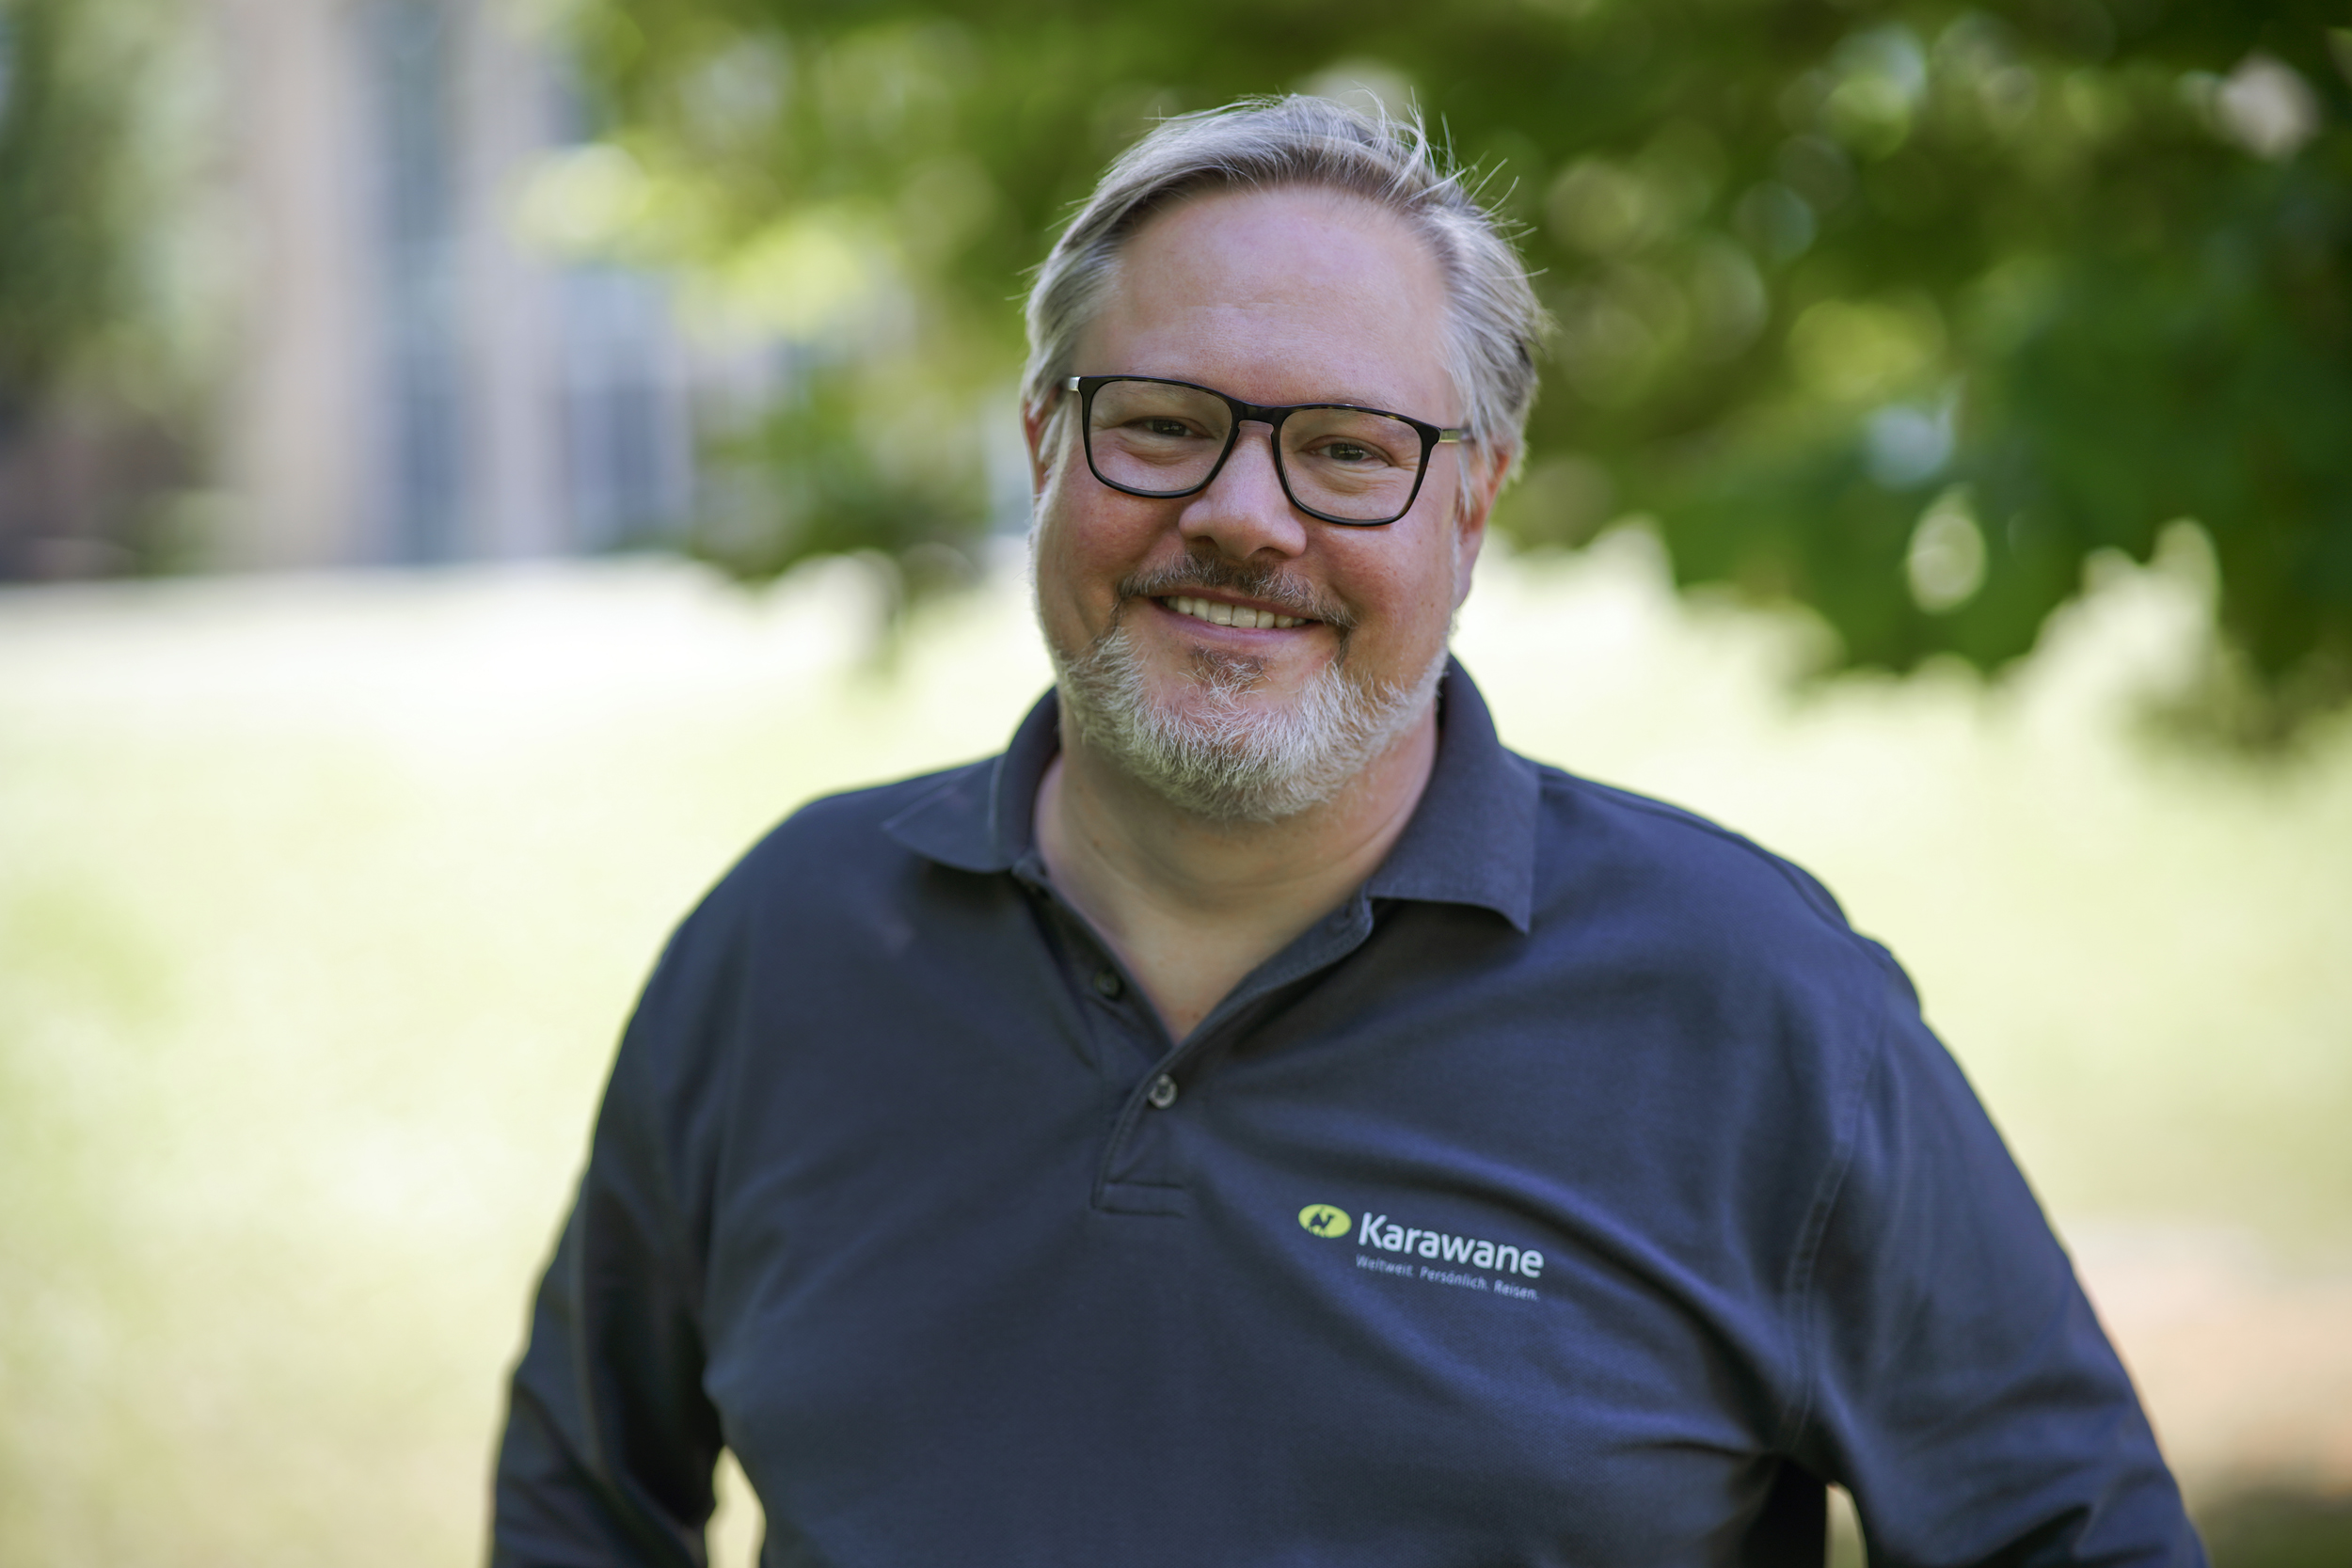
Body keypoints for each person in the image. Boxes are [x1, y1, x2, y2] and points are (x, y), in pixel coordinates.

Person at [491, 97, 2203, 1566]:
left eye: (1348, 451)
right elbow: (583, 1503)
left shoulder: (1759, 1008)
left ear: (1475, 502)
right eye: (1163, 424)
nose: (1243, 517)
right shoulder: (788, 940)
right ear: (1043, 444)